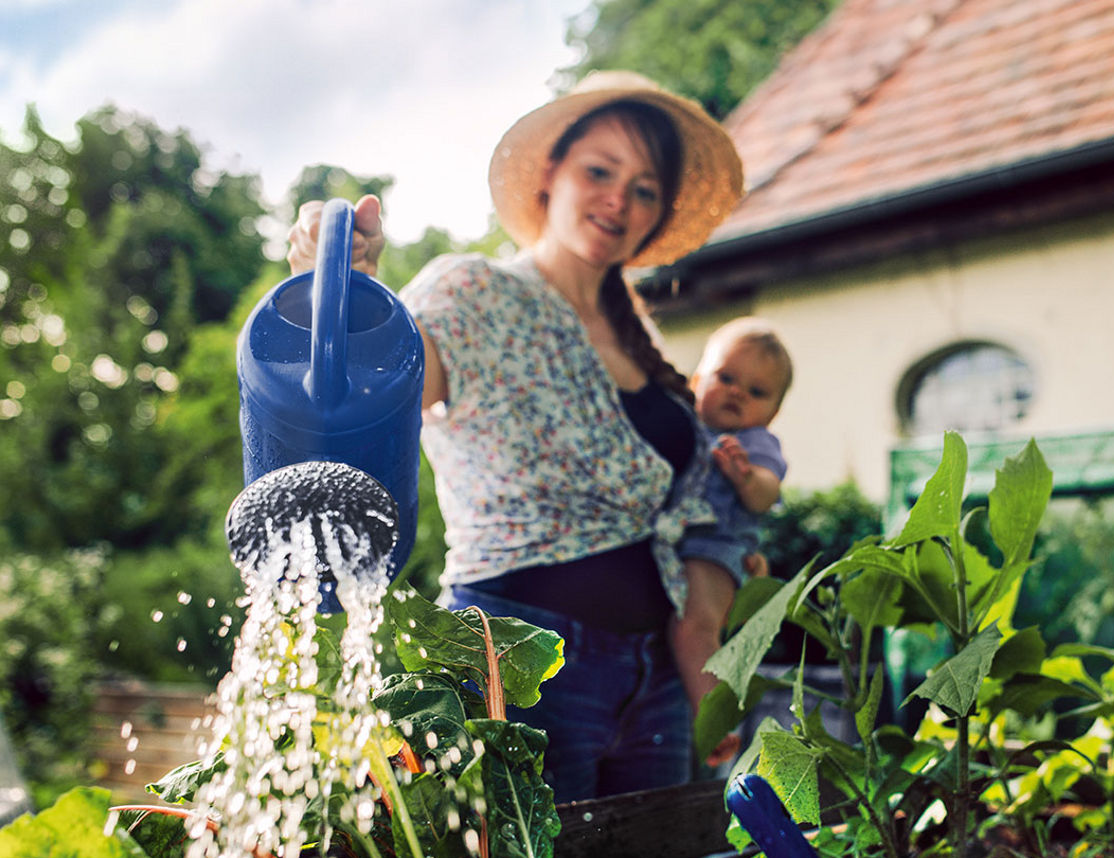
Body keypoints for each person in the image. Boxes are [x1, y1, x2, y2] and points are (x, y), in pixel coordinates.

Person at [286, 71, 748, 803]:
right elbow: (383, 384)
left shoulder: (645, 344)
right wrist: (349, 288)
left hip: (657, 675)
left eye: (645, 189)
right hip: (513, 657)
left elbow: (698, 512)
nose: (619, 201)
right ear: (550, 174)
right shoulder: (475, 292)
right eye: (600, 172)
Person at [669, 318, 792, 760]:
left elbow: (766, 493)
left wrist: (746, 478)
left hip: (715, 550)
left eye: (757, 391)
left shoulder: (755, 442)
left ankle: (715, 721)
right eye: (725, 378)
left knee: (695, 625)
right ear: (696, 381)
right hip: (674, 543)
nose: (737, 393)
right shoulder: (684, 424)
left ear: (771, 413)